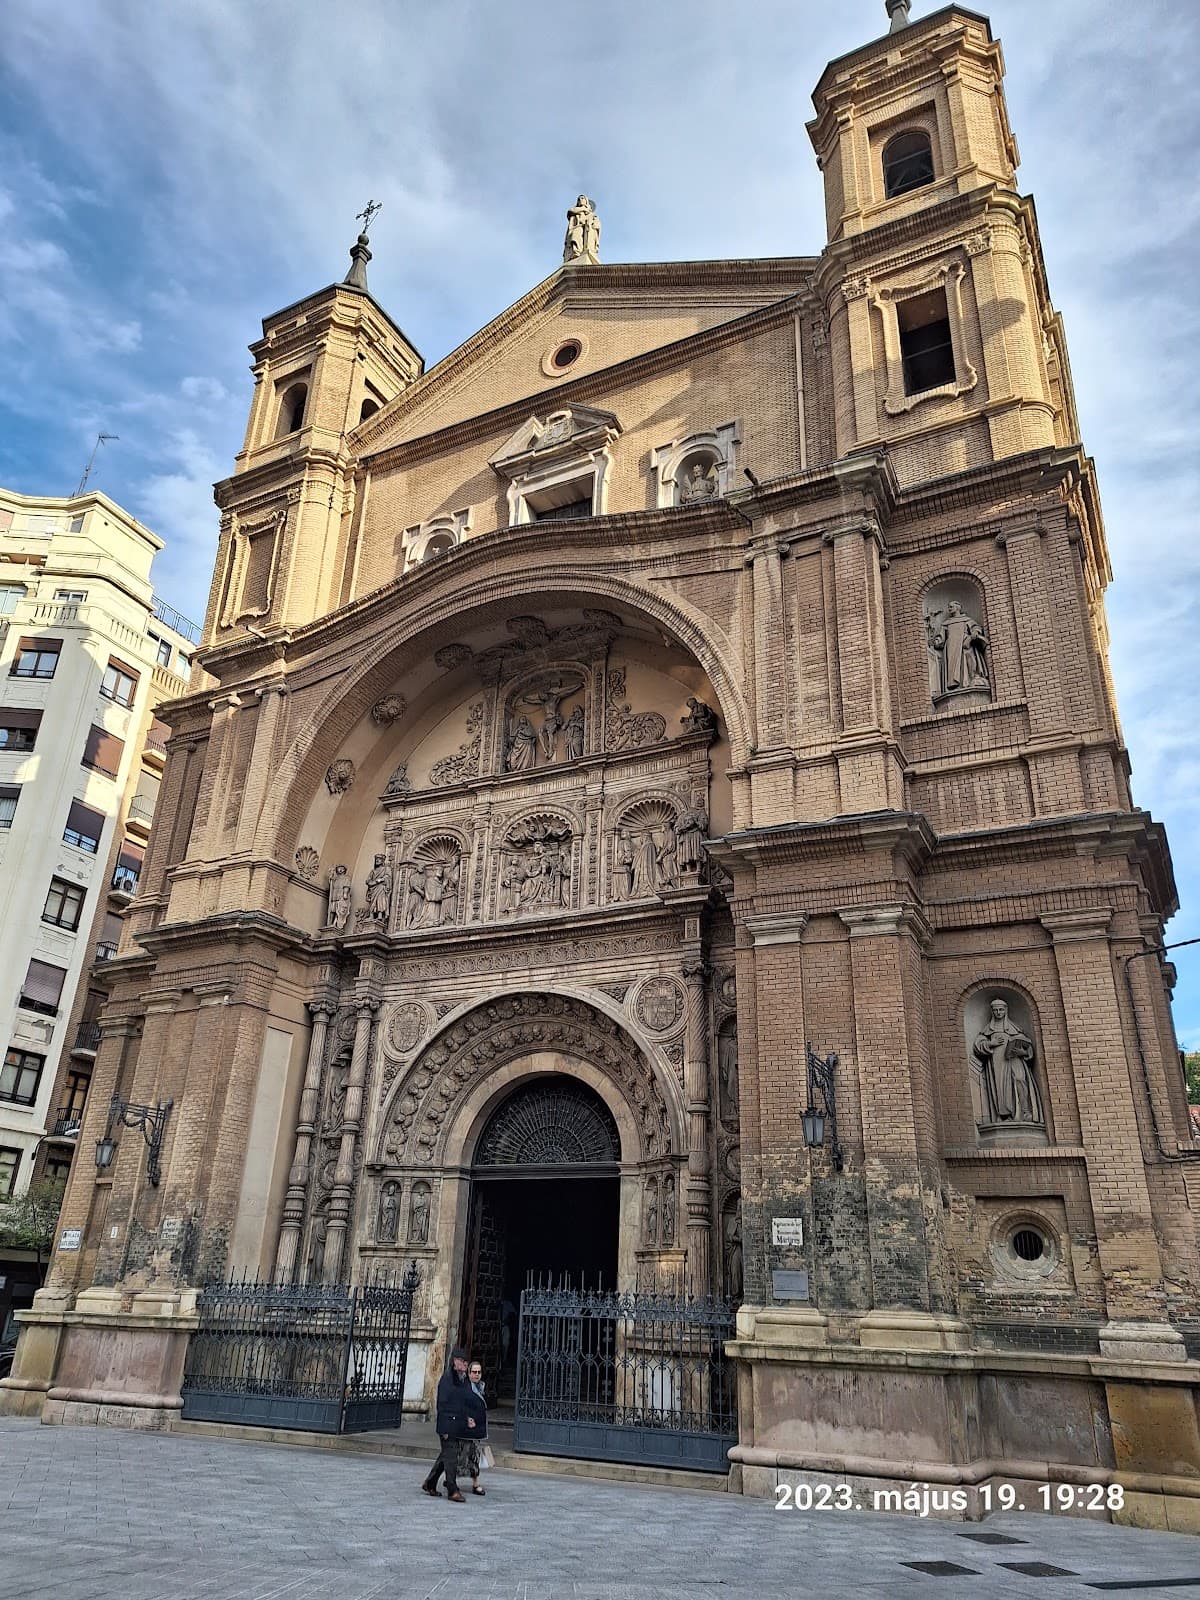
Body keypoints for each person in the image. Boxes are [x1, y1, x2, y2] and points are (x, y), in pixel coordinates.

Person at [421, 1346, 475, 1502]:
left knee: (446, 1455)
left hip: (458, 1424)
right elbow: (442, 1405)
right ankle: (452, 1490)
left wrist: (467, 1418)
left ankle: (430, 1482)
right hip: (447, 1425)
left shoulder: (464, 1380)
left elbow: (463, 1402)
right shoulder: (447, 1379)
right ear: (455, 1361)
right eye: (463, 1362)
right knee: (451, 1458)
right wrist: (443, 1428)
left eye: (467, 1362)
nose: (466, 1365)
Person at [460, 1360, 489, 1496]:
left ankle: (474, 1482)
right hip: (468, 1430)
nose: (477, 1375)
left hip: (478, 1430)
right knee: (465, 1456)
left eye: (479, 1372)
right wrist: (466, 1418)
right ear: (469, 1373)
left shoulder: (481, 1387)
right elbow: (459, 1406)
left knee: (472, 1456)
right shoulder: (465, 1388)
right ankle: (475, 1483)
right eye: (474, 1372)